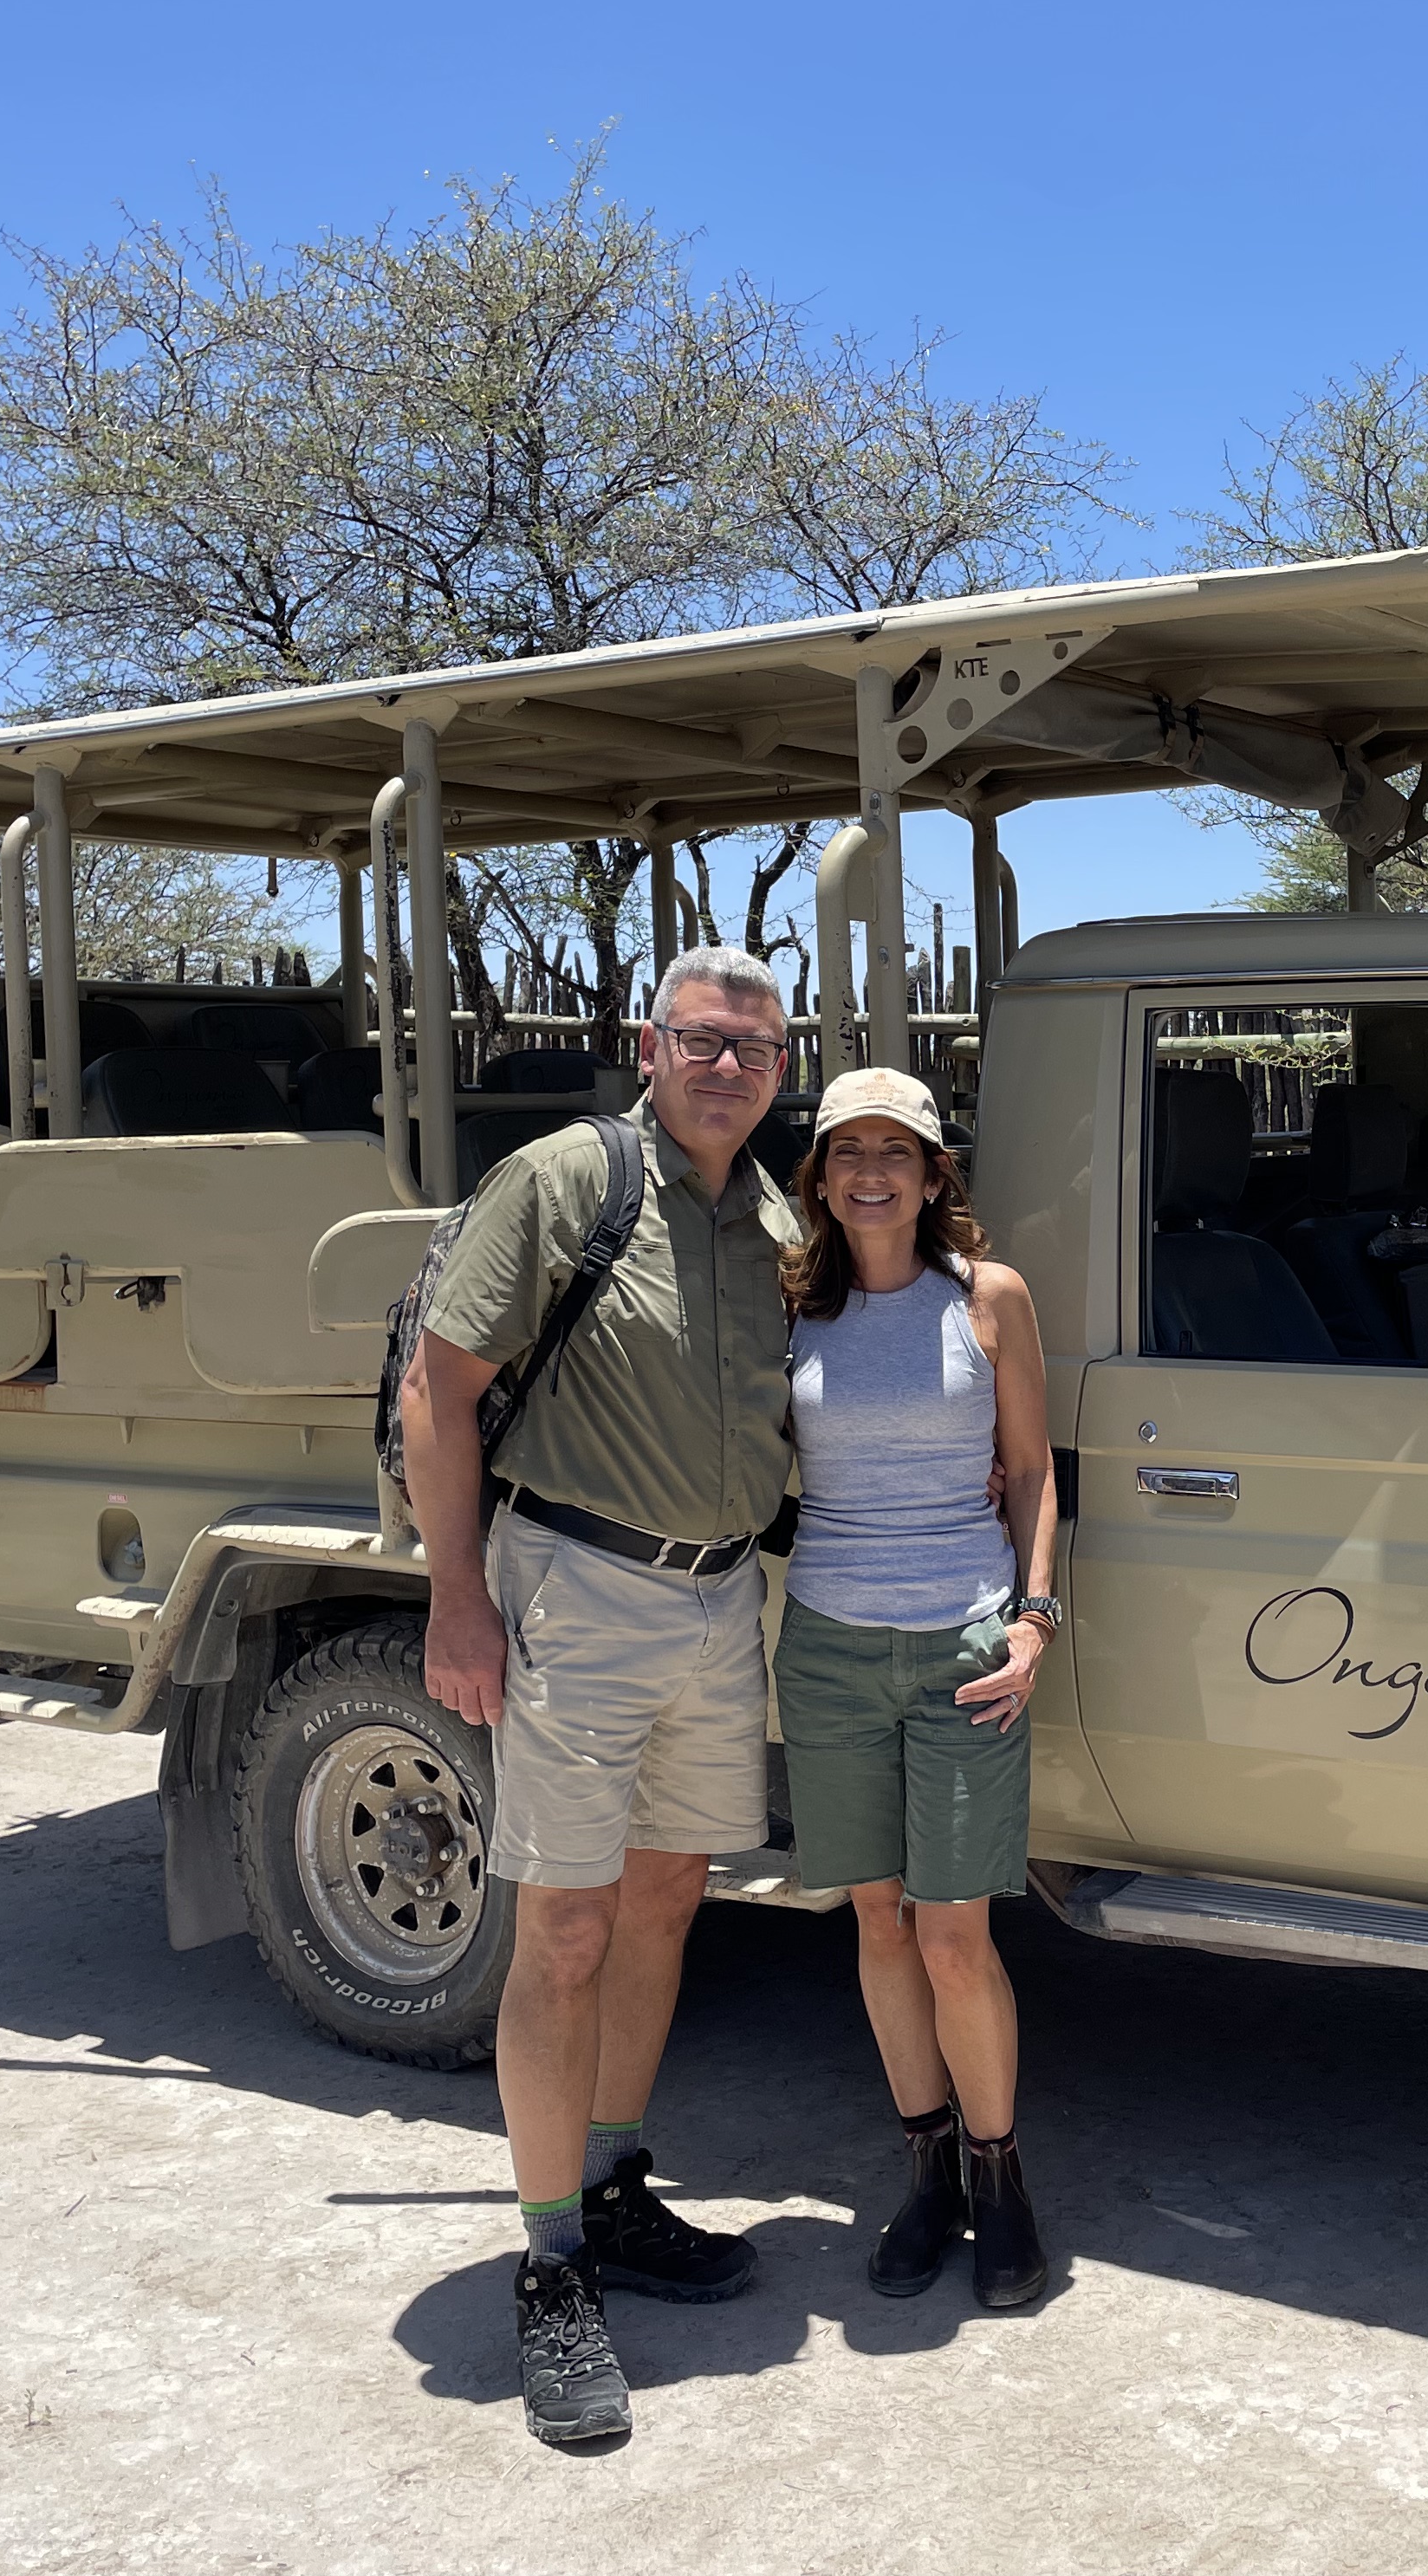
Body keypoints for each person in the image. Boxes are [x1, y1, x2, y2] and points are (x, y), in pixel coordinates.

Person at [399, 944, 804, 2447]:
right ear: (650, 1045)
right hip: (576, 1585)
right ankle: (551, 2258)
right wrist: (456, 1597)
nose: (729, 1067)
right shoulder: (570, 1181)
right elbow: (438, 1391)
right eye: (704, 1040)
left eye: (756, 1048)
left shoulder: (771, 1214)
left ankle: (616, 2180)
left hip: (717, 1597)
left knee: (667, 1899)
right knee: (564, 1928)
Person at [771, 1067, 1062, 2309]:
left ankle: (1001, 2179)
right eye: (850, 1151)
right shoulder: (791, 1306)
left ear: (936, 1174)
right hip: (830, 1648)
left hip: (964, 1649)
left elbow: (1032, 1470)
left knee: (954, 1933)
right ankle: (927, 2171)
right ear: (821, 1178)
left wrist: (1035, 1622)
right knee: (878, 1921)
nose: (873, 1172)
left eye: (898, 1151)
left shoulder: (989, 1299)